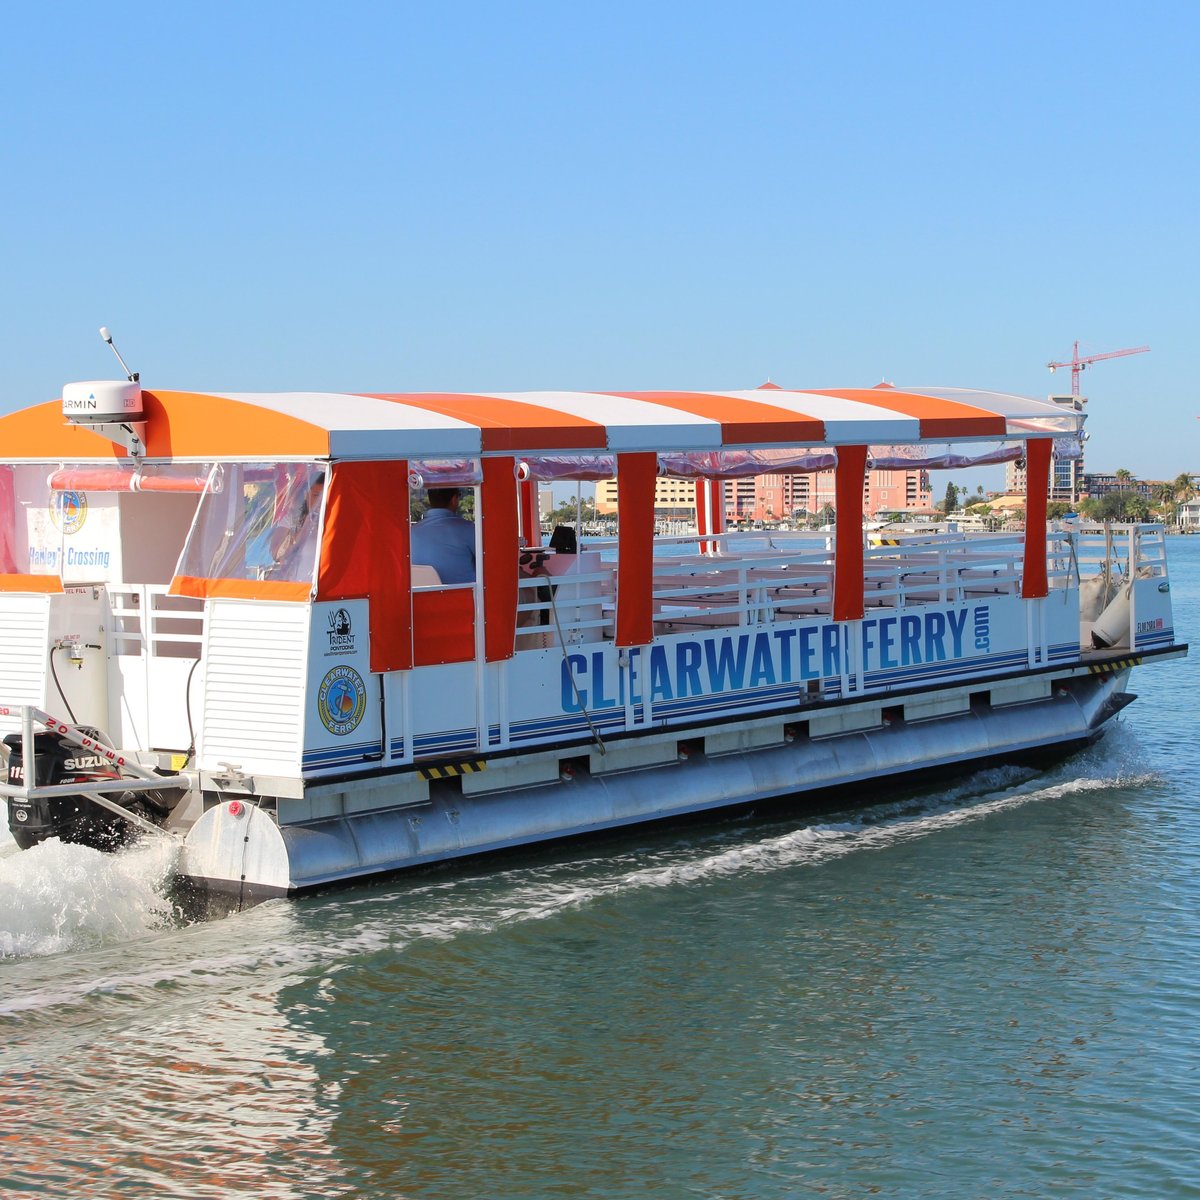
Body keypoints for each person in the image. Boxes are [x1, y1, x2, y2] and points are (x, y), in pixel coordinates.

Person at [411, 487, 476, 584]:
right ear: (454, 499)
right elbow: (486, 561)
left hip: (423, 595)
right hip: (464, 595)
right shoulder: (469, 529)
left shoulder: (412, 532)